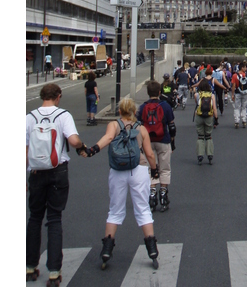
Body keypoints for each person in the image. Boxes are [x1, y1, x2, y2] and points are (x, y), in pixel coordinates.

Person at [85, 97, 160, 269]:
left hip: (118, 170)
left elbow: (108, 138)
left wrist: (93, 149)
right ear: (134, 112)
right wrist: (154, 169)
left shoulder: (114, 125)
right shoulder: (141, 128)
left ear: (120, 111)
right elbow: (149, 153)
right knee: (142, 208)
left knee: (115, 210)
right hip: (138, 169)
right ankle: (152, 249)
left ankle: (107, 249)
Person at [26, 83, 88, 284]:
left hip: (35, 171)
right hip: (57, 170)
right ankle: (54, 272)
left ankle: (30, 266)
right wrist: (81, 145)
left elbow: (24, 150)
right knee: (54, 219)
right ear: (58, 96)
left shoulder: (30, 117)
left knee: (34, 218)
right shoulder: (63, 116)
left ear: (42, 96)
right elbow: (73, 141)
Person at [137, 80, 176, 213]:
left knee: (150, 168)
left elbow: (138, 126)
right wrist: (172, 140)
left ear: (148, 93)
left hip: (147, 141)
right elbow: (171, 125)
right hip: (163, 139)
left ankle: (152, 194)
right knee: (165, 168)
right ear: (159, 92)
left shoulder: (142, 108)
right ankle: (164, 196)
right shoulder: (165, 106)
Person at [193, 78, 218, 164]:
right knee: (208, 136)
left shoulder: (197, 94)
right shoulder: (212, 95)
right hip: (209, 116)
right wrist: (216, 118)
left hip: (199, 116)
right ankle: (210, 155)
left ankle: (200, 155)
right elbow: (214, 108)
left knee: (200, 136)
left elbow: (197, 104)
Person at [230, 61, 247, 128]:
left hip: (238, 92)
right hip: (245, 93)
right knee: (244, 107)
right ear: (242, 68)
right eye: (245, 67)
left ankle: (237, 121)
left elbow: (233, 86)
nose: (246, 68)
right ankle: (244, 120)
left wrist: (232, 94)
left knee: (237, 107)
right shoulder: (246, 75)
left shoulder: (235, 75)